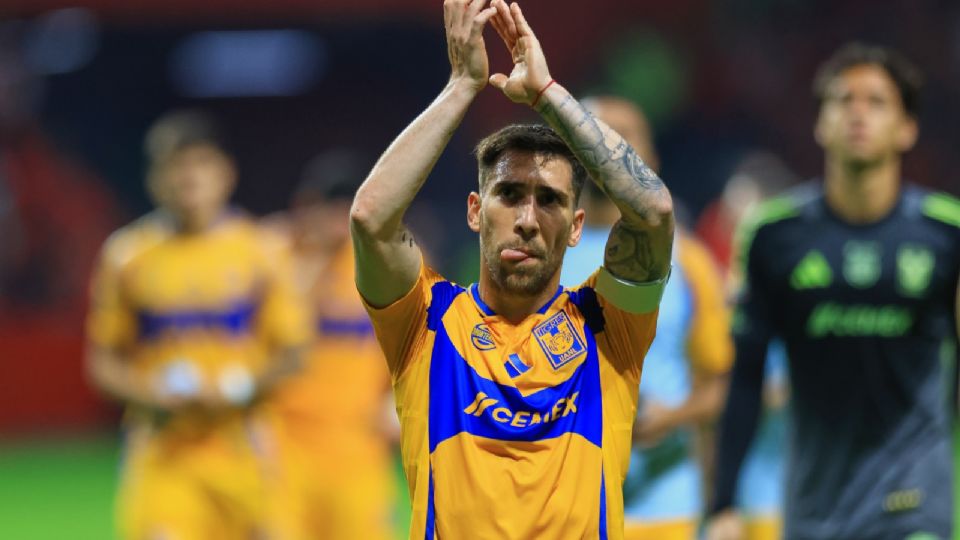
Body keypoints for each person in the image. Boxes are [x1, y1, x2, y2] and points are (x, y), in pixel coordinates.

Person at [348, 0, 674, 537]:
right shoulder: (425, 322)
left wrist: (547, 94)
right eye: (509, 194)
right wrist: (462, 87)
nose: (526, 219)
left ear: (576, 226)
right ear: (475, 211)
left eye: (549, 200)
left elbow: (653, 212)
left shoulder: (609, 327)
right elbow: (370, 218)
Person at [707, 43, 959, 540]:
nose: (858, 113)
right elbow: (746, 377)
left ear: (907, 128)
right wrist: (724, 504)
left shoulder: (946, 233)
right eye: (844, 100)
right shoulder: (773, 236)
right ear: (821, 124)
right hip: (815, 508)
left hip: (914, 497)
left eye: (876, 101)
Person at [85, 110, 310, 540]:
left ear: (226, 173)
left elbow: (294, 354)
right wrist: (152, 396)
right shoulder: (127, 256)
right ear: (153, 178)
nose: (188, 178)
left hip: (246, 452)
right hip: (165, 454)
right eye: (174, 166)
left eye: (200, 164)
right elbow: (102, 362)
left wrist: (239, 389)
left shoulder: (263, 251)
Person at [560, 96, 732, 540]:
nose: (604, 144)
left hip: (664, 510)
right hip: (562, 507)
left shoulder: (689, 261)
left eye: (621, 134)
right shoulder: (542, 254)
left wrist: (670, 418)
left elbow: (721, 384)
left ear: (651, 157)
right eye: (591, 132)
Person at [263, 149, 399, 539]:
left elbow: (411, 345)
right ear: (306, 208)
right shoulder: (275, 258)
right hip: (286, 443)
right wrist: (315, 262)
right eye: (329, 210)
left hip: (358, 445)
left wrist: (396, 401)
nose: (339, 225)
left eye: (347, 210)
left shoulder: (383, 266)